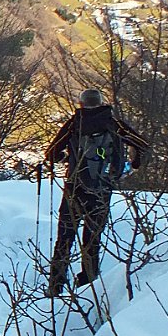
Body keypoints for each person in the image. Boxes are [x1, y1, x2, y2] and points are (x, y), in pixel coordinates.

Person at [44, 88, 150, 296]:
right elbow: (142, 145)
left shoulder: (76, 123)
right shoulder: (113, 123)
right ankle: (87, 284)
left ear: (82, 104)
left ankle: (56, 285)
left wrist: (67, 160)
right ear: (101, 102)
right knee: (92, 239)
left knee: (65, 237)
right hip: (102, 190)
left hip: (75, 188)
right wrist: (134, 165)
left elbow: (51, 153)